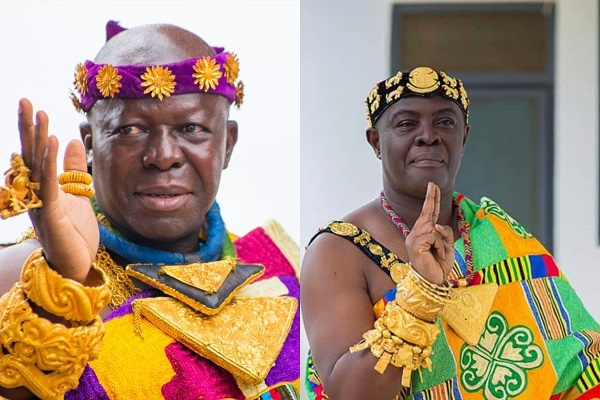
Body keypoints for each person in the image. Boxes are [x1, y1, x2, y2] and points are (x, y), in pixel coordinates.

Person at [0, 21, 300, 400]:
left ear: (228, 144)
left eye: (192, 128)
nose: (163, 157)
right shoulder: (22, 274)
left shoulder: (282, 264)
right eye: (130, 130)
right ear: (90, 145)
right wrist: (64, 287)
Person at [301, 66, 600, 399]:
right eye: (406, 124)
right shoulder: (338, 252)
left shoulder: (497, 231)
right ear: (376, 142)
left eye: (444, 122)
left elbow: (579, 360)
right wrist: (421, 296)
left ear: (465, 138)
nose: (428, 135)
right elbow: (349, 394)